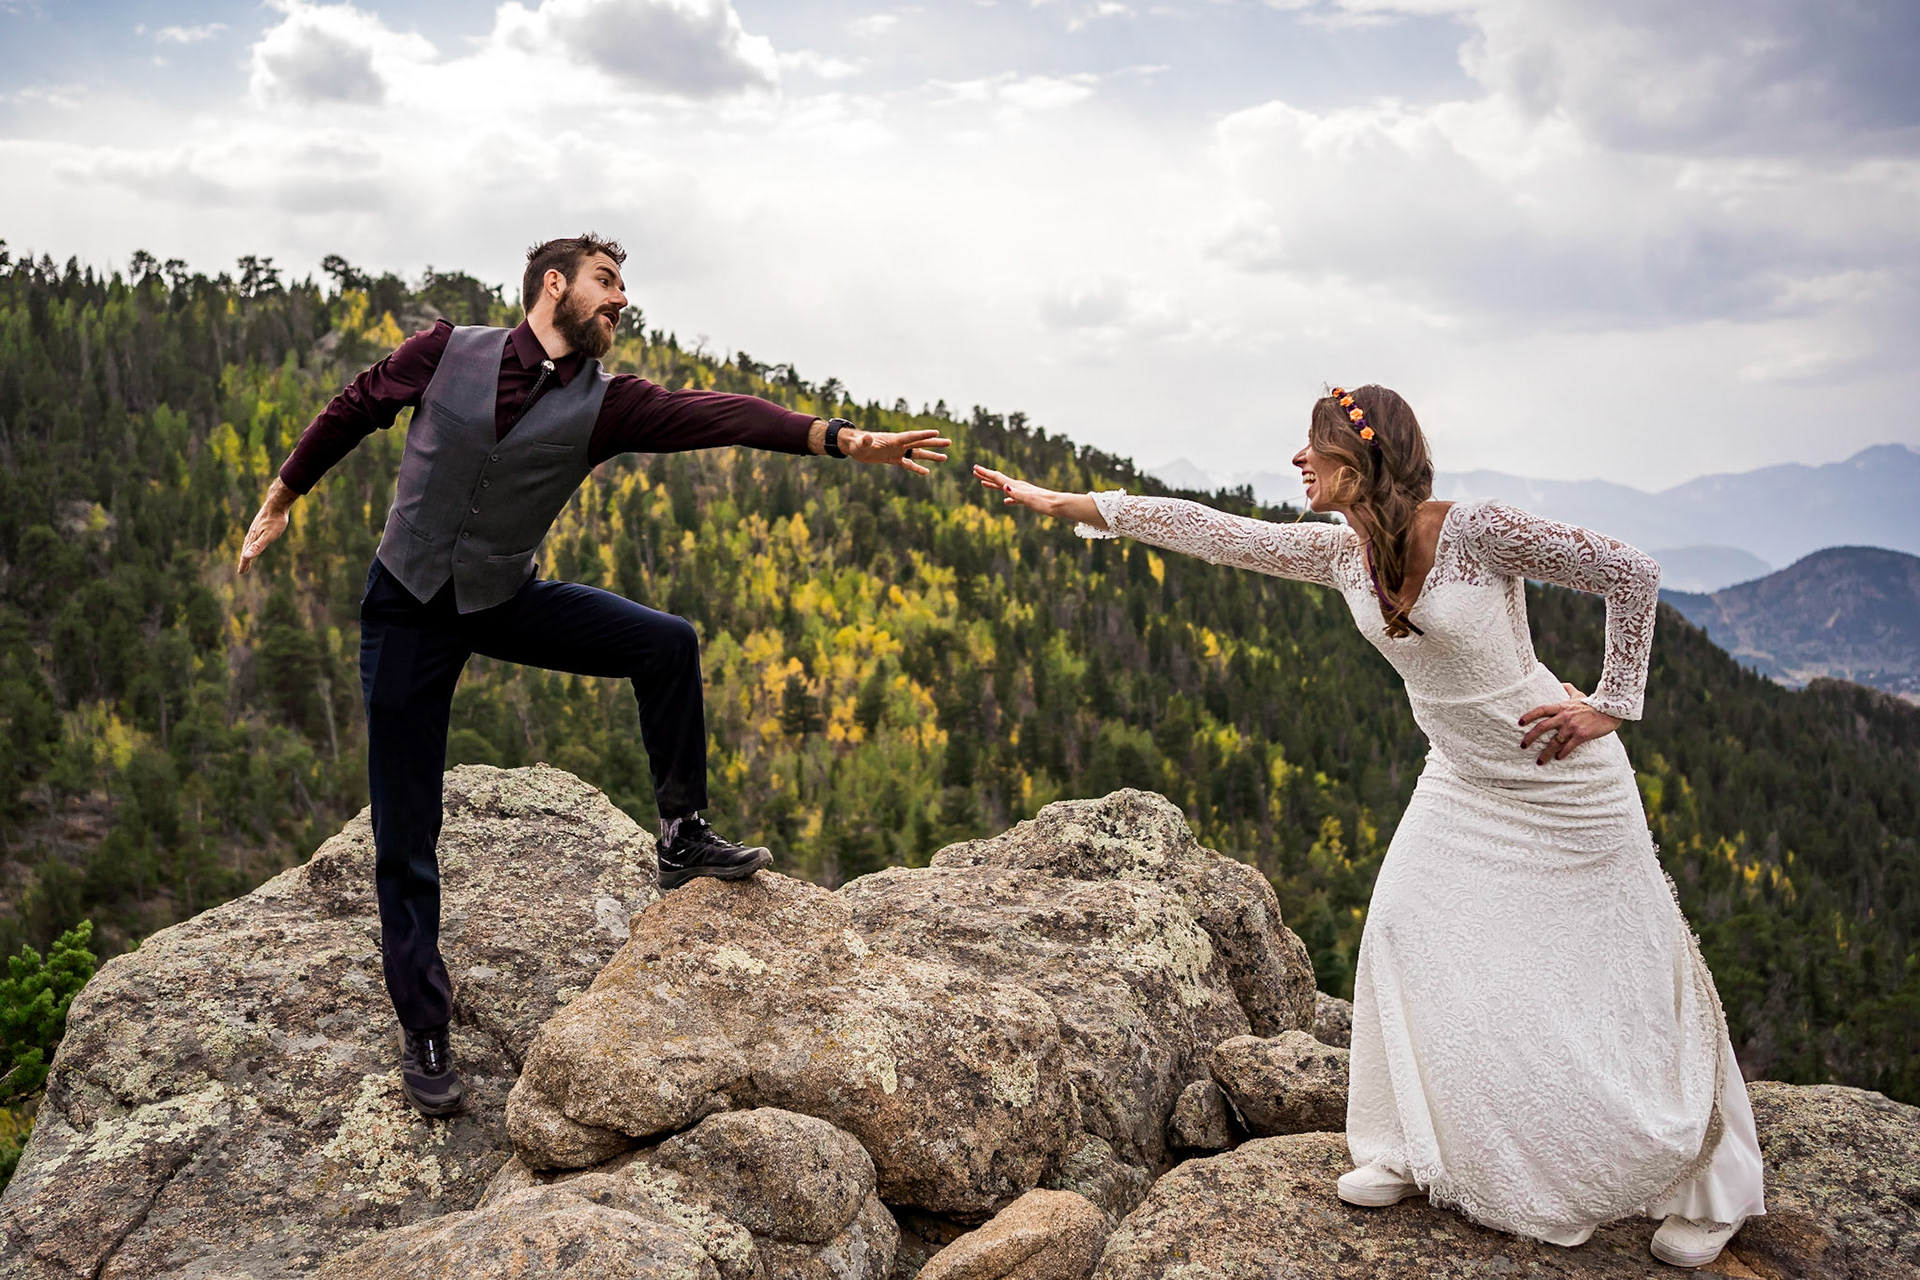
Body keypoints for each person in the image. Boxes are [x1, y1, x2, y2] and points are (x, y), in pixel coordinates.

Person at [972, 385, 1765, 1270]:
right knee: (1400, 928)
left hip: (1562, 782)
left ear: (1362, 456)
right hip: (1461, 779)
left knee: (1630, 968)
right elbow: (1205, 528)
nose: (1298, 460)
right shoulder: (1339, 553)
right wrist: (1063, 503)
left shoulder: (1477, 531)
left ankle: (1716, 1190)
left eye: (1312, 445)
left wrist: (1612, 703)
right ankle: (1405, 1148)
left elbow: (1631, 571)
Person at [237, 233, 949, 1118]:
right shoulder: (445, 351)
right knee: (406, 827)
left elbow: (718, 414)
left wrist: (838, 439)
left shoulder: (608, 404)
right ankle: (424, 1026)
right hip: (407, 607)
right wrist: (282, 497)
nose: (621, 299)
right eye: (606, 282)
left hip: (500, 599)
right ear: (554, 285)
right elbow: (354, 407)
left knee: (666, 642)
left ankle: (683, 835)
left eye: (622, 287)